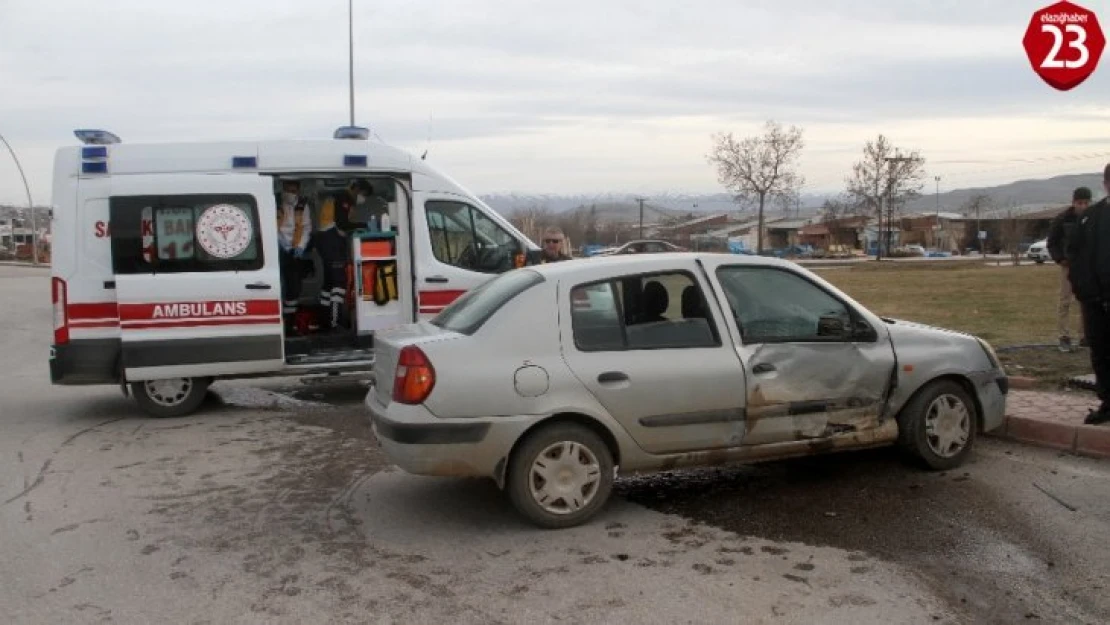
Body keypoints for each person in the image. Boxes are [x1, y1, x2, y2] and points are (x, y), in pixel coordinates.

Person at [1065, 167, 1110, 425]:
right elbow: (1075, 254)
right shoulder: (1091, 217)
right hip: (1094, 300)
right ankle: (1107, 402)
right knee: (1101, 351)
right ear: (1105, 184)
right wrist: (1082, 289)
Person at [315, 180, 371, 330]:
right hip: (331, 240)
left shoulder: (337, 196)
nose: (362, 198)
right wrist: (364, 225)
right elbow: (342, 224)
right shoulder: (344, 197)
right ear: (357, 189)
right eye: (363, 194)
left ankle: (324, 322)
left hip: (324, 240)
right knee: (339, 282)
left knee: (328, 284)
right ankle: (335, 323)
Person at [1047, 187, 1092, 352]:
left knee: (1085, 301)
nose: (1083, 206)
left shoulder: (1093, 218)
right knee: (1065, 301)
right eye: (1080, 203)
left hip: (1087, 267)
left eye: (1086, 203)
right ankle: (1064, 336)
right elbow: (1052, 242)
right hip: (1069, 266)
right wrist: (1061, 258)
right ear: (1073, 202)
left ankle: (1084, 336)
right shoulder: (1062, 219)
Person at [277, 180, 312, 330]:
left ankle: (290, 323)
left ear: (298, 191)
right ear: (283, 189)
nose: (290, 194)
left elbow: (306, 227)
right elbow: (271, 226)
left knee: (294, 287)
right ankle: (281, 321)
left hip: (295, 249)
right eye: (287, 190)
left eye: (293, 191)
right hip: (278, 247)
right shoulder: (274, 201)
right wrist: (282, 245)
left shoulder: (303, 205)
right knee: (279, 286)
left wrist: (300, 246)